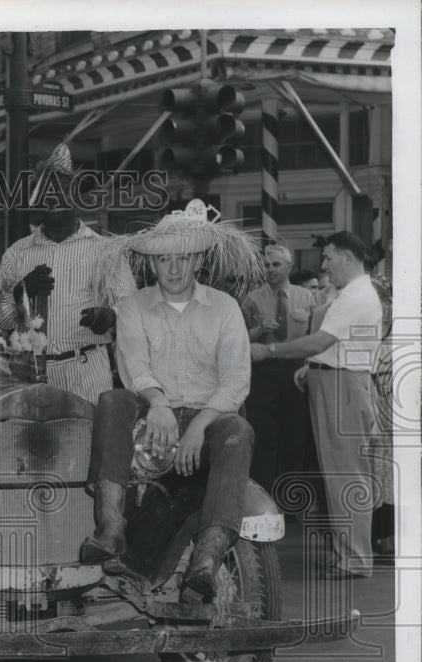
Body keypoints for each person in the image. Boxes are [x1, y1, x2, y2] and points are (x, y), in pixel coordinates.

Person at [81, 200, 261, 603]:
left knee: (238, 430)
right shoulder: (132, 307)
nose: (175, 269)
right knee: (112, 398)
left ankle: (207, 558)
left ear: (198, 259)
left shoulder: (225, 308)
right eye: (165, 259)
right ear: (152, 263)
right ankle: (110, 526)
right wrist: (159, 403)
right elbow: (133, 367)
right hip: (152, 416)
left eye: (183, 258)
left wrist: (198, 426)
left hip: (208, 419)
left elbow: (235, 381)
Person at [253, 231, 383, 579]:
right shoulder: (350, 294)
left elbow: (321, 340)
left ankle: (356, 559)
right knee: (336, 474)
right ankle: (347, 554)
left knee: (346, 475)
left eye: (328, 258)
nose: (324, 265)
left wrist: (269, 351)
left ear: (348, 257)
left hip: (343, 386)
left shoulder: (357, 296)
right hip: (334, 381)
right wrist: (314, 368)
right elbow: (337, 345)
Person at [0, 144, 136, 405]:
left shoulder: (105, 251)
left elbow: (132, 309)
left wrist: (111, 316)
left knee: (89, 442)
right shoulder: (18, 253)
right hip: (29, 372)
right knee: (33, 445)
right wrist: (21, 291)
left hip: (87, 368)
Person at [240, 243, 318, 495]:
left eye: (276, 264)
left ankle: (291, 499)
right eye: (266, 264)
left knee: (295, 437)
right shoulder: (252, 299)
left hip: (295, 372)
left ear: (289, 266)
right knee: (263, 436)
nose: (270, 269)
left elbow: (315, 336)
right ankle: (262, 496)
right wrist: (258, 331)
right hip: (262, 374)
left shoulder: (306, 298)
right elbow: (239, 341)